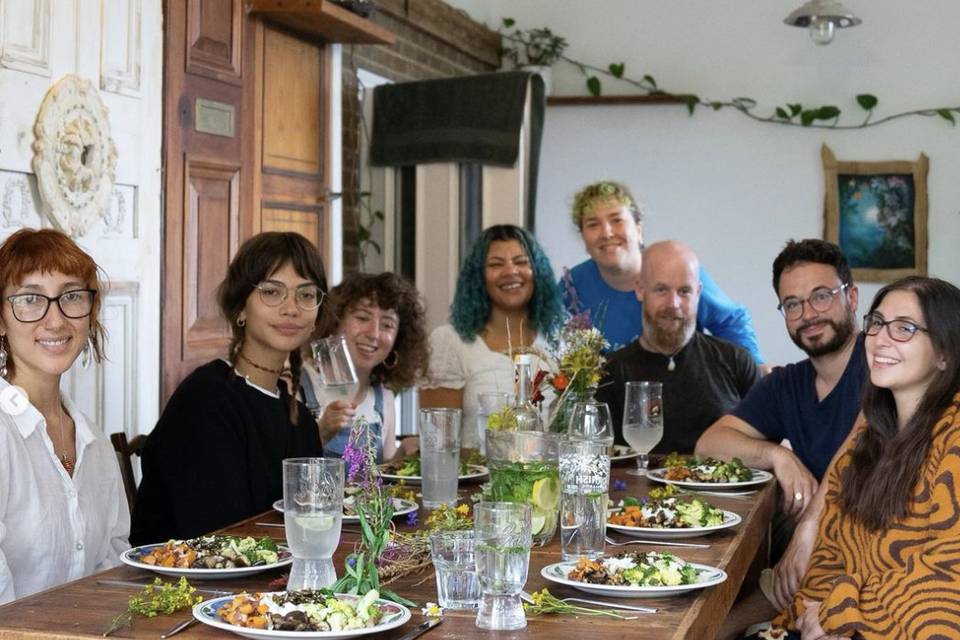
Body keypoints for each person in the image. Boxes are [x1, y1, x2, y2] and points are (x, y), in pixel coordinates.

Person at [763, 276, 960, 640]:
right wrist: (819, 616)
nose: (881, 339)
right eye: (878, 323)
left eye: (905, 328)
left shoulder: (955, 434)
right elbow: (831, 549)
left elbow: (949, 579)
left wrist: (842, 614)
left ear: (945, 353)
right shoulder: (870, 435)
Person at [696, 238, 867, 613]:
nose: (809, 313)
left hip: (875, 558)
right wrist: (776, 455)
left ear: (851, 298)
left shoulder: (882, 363)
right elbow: (709, 444)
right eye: (793, 304)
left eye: (821, 296)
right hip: (816, 565)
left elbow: (864, 454)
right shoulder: (788, 383)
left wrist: (811, 526)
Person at [131, 232, 326, 545]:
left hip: (266, 584)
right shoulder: (207, 400)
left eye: (306, 295)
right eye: (272, 292)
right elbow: (218, 536)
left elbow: (314, 526)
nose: (291, 308)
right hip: (183, 586)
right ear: (240, 309)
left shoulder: (299, 419)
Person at [0, 228, 128, 604]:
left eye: (71, 297)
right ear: (1, 320)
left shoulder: (92, 439)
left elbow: (113, 562)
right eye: (30, 300)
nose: (55, 321)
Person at [561, 180, 765, 366]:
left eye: (617, 220)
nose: (606, 233)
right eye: (593, 225)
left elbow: (730, 321)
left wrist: (754, 372)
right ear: (584, 238)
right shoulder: (571, 288)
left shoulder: (677, 269)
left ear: (638, 230)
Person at [597, 241, 761, 453]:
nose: (673, 304)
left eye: (684, 291)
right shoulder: (609, 373)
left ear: (698, 293)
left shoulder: (737, 362)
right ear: (640, 290)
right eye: (661, 290)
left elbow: (768, 444)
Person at [421, 225, 565, 449]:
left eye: (521, 262)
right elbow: (438, 445)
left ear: (538, 271)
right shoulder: (449, 342)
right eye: (496, 264)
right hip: (475, 482)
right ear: (478, 277)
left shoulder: (559, 342)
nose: (511, 271)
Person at [302, 271, 429, 462]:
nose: (374, 334)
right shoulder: (298, 384)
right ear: (335, 321)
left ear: (398, 339)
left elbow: (383, 476)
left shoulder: (383, 398)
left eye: (387, 325)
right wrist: (319, 434)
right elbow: (276, 472)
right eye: (362, 318)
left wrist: (403, 452)